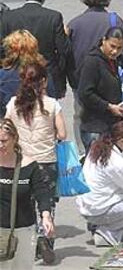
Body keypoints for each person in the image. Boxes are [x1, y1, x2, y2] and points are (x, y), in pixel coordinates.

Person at [66, 0, 123, 156]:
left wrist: (71, 79)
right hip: (109, 84)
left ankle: (84, 153)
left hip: (80, 83)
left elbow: (66, 54)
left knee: (81, 116)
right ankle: (106, 156)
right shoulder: (115, 21)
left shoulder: (75, 24)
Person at [5, 61, 67, 264]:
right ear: (44, 82)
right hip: (46, 161)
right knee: (46, 201)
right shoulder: (51, 104)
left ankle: (29, 242)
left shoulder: (13, 104)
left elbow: (6, 127)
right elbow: (63, 133)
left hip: (22, 161)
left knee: (26, 201)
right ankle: (45, 237)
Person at [0, 118, 54, 270]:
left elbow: (42, 192)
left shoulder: (29, 166)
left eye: (4, 141)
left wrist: (46, 216)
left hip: (23, 229)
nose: (0, 145)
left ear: (14, 139)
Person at [0, 0, 71, 99]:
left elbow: (3, 48)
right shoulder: (53, 17)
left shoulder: (8, 17)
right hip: (45, 75)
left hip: (15, 73)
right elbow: (63, 50)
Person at [78, 26, 123, 153]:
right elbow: (85, 93)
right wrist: (108, 106)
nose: (115, 51)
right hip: (95, 126)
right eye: (112, 46)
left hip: (109, 124)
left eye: (119, 48)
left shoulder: (112, 61)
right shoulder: (92, 61)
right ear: (104, 41)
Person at [0, 30, 42, 118]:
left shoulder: (3, 75)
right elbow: (51, 97)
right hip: (37, 122)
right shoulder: (42, 74)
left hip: (10, 123)